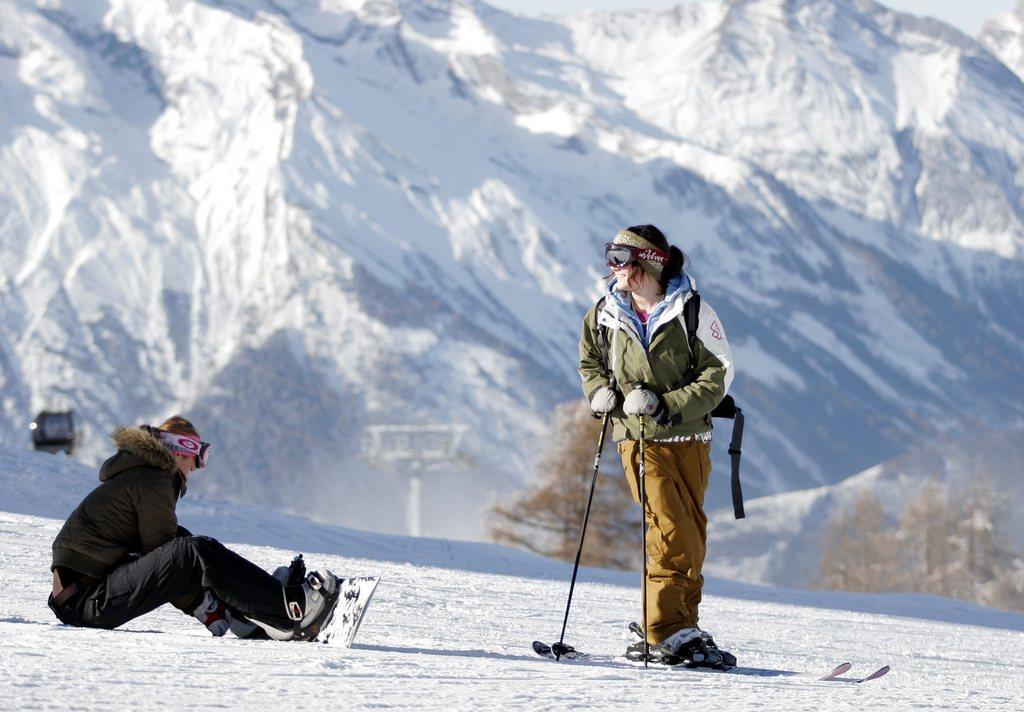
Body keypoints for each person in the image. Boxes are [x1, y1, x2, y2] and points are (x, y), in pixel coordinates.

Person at [578, 225, 735, 667]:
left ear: (648, 263)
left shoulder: (694, 312)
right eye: (610, 256)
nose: (612, 268)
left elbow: (718, 373)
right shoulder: (605, 314)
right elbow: (590, 360)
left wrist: (668, 404)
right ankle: (662, 628)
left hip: (691, 438)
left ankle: (684, 623)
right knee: (668, 529)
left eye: (619, 258)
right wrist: (598, 393)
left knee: (690, 533)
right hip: (638, 438)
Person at [48, 415, 338, 641]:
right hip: (87, 600)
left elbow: (168, 558)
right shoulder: (152, 479)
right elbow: (168, 560)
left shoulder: (141, 475)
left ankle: (259, 610)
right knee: (192, 549)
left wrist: (210, 603)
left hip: (85, 597)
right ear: (178, 451)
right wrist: (201, 603)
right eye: (197, 454)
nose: (198, 466)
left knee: (187, 543)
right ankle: (287, 614)